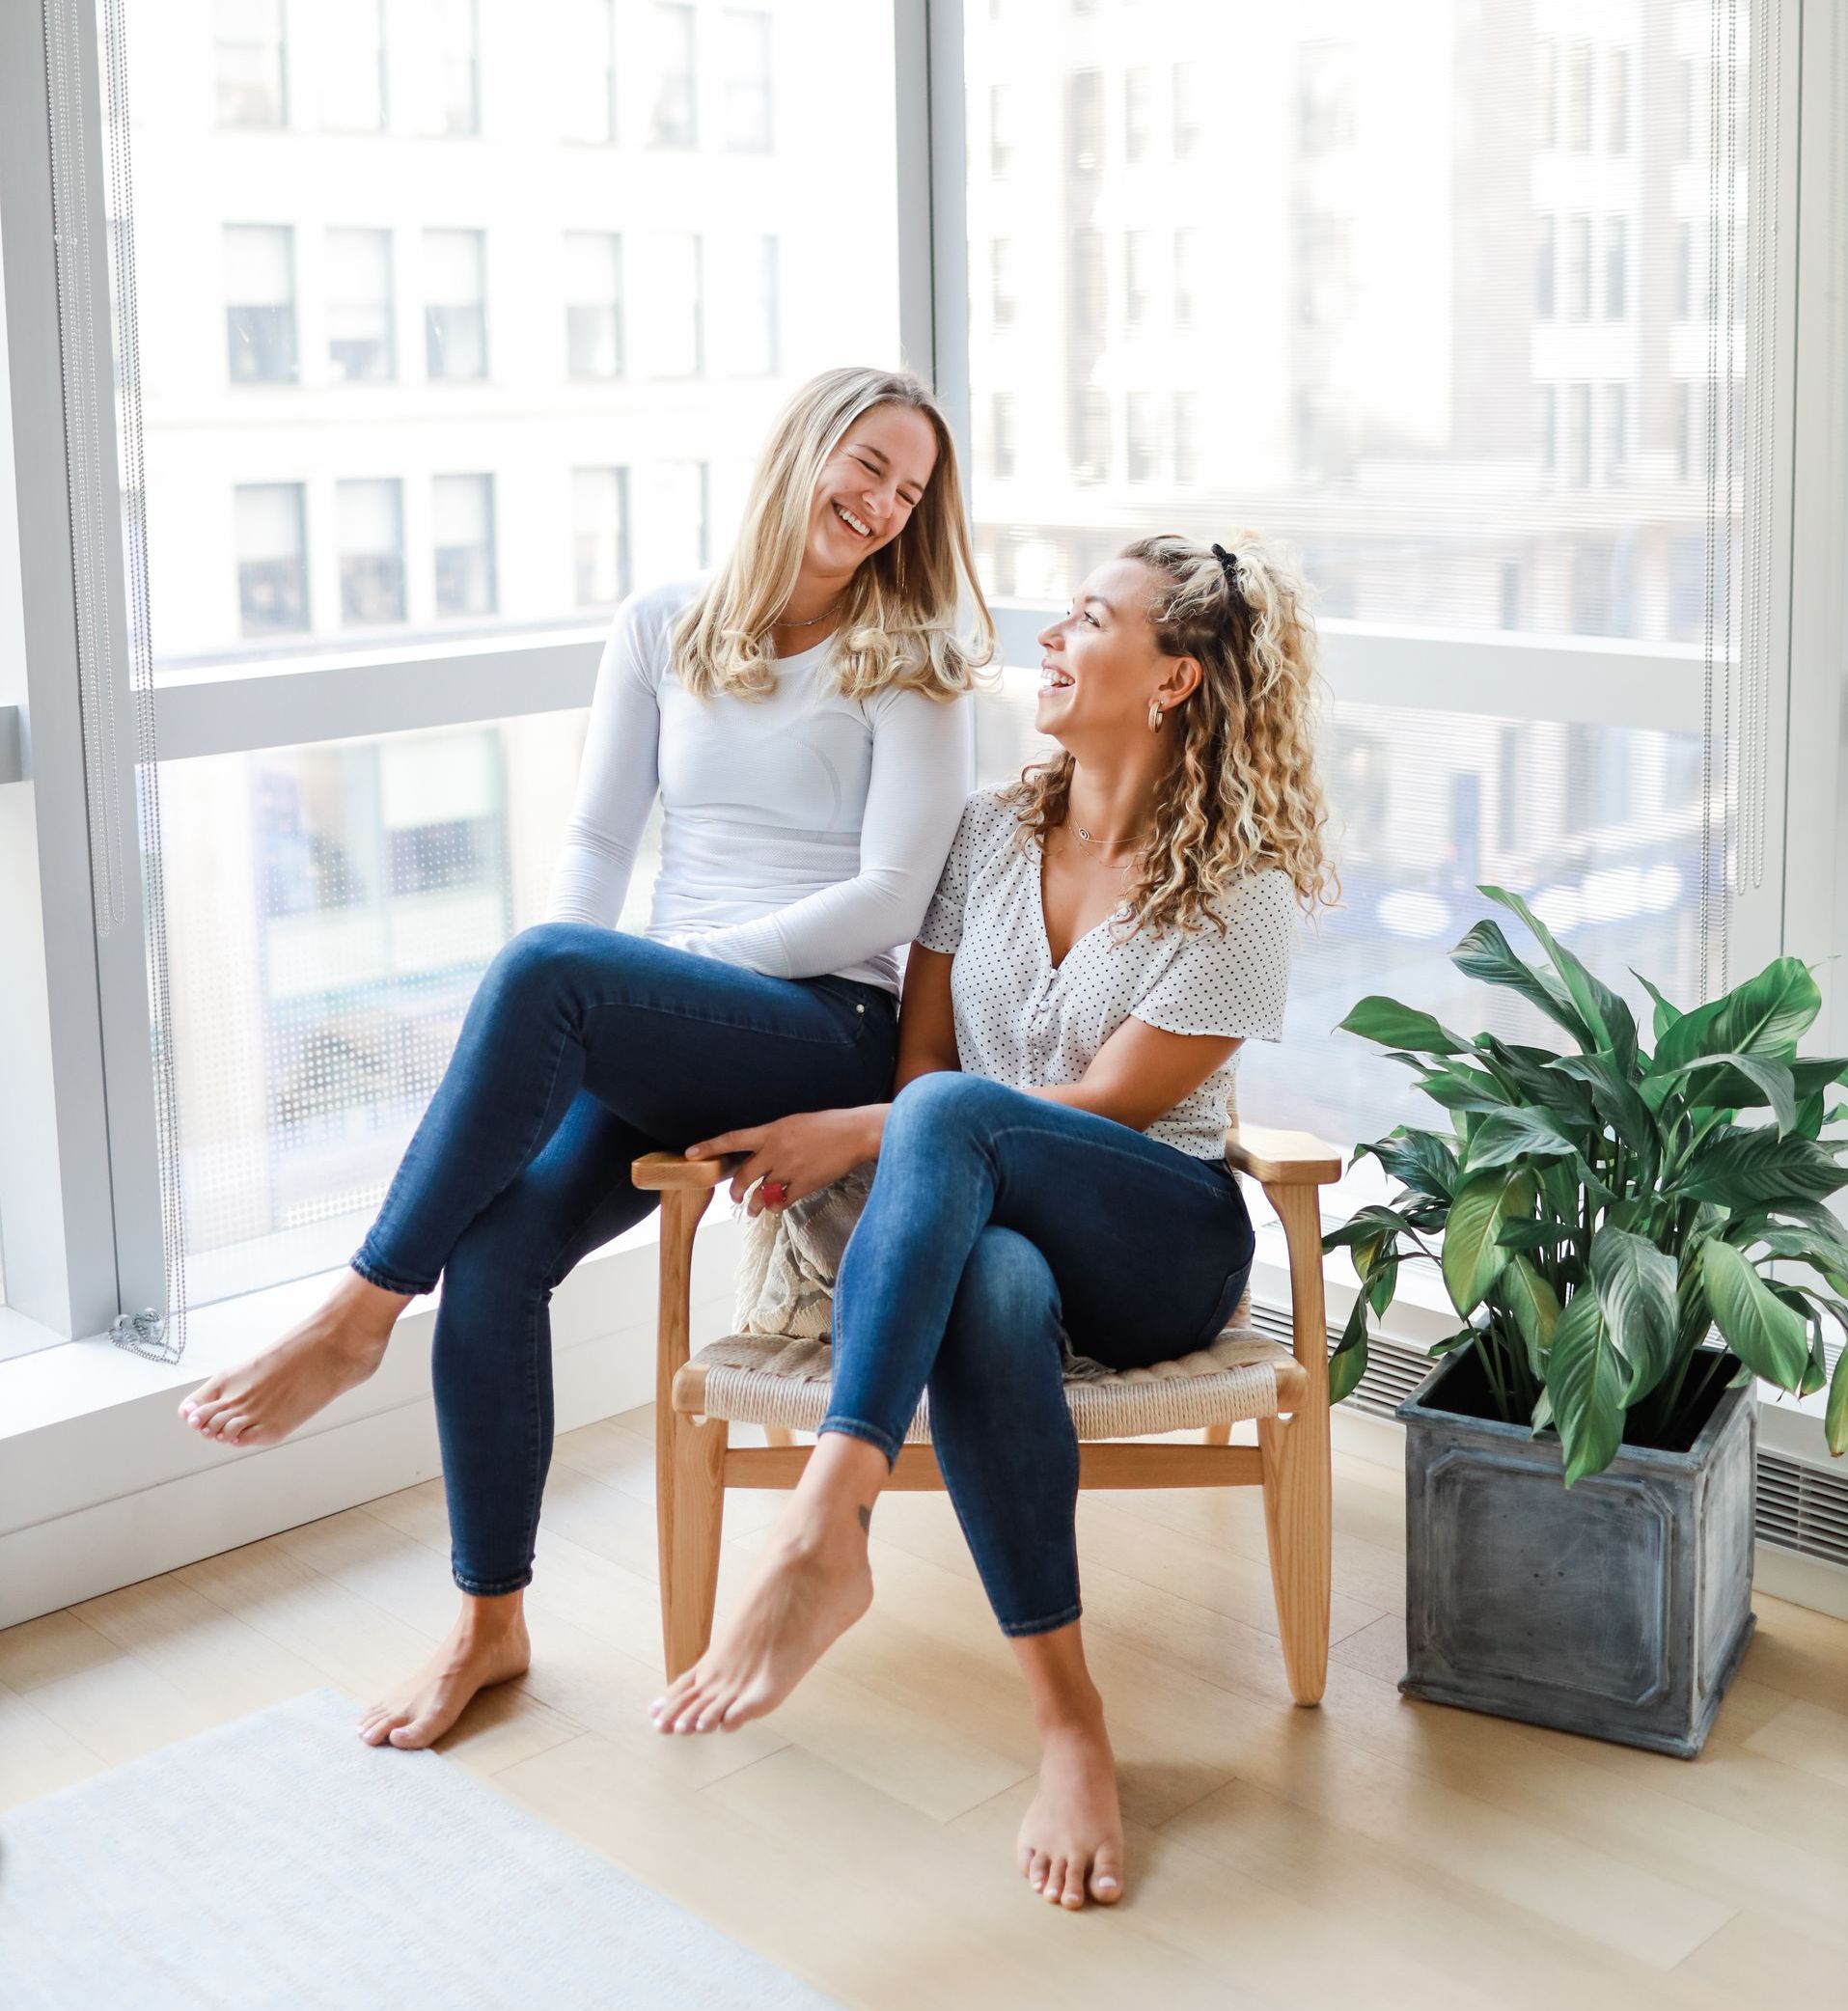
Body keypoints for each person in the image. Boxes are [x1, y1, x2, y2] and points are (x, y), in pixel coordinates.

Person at [176, 365, 993, 1749]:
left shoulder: (910, 665)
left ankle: (359, 1310)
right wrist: (581, 988)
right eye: (867, 465)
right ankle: (489, 1624)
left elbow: (891, 900)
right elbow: (599, 844)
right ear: (802, 450)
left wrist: (665, 970)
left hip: (815, 1024)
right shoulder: (662, 624)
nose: (882, 503)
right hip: (669, 1021)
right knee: (497, 1250)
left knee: (555, 972)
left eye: (909, 492)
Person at [650, 531, 1336, 1913]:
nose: (1052, 636)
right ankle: (1069, 1719)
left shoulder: (1241, 886)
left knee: (962, 1120)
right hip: (992, 1228)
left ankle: (821, 1518)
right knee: (997, 1283)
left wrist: (859, 1133)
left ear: (1175, 682)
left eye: (1090, 618)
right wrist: (899, 1119)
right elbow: (920, 1066)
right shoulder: (986, 833)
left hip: (1158, 1242)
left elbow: (1095, 1112)